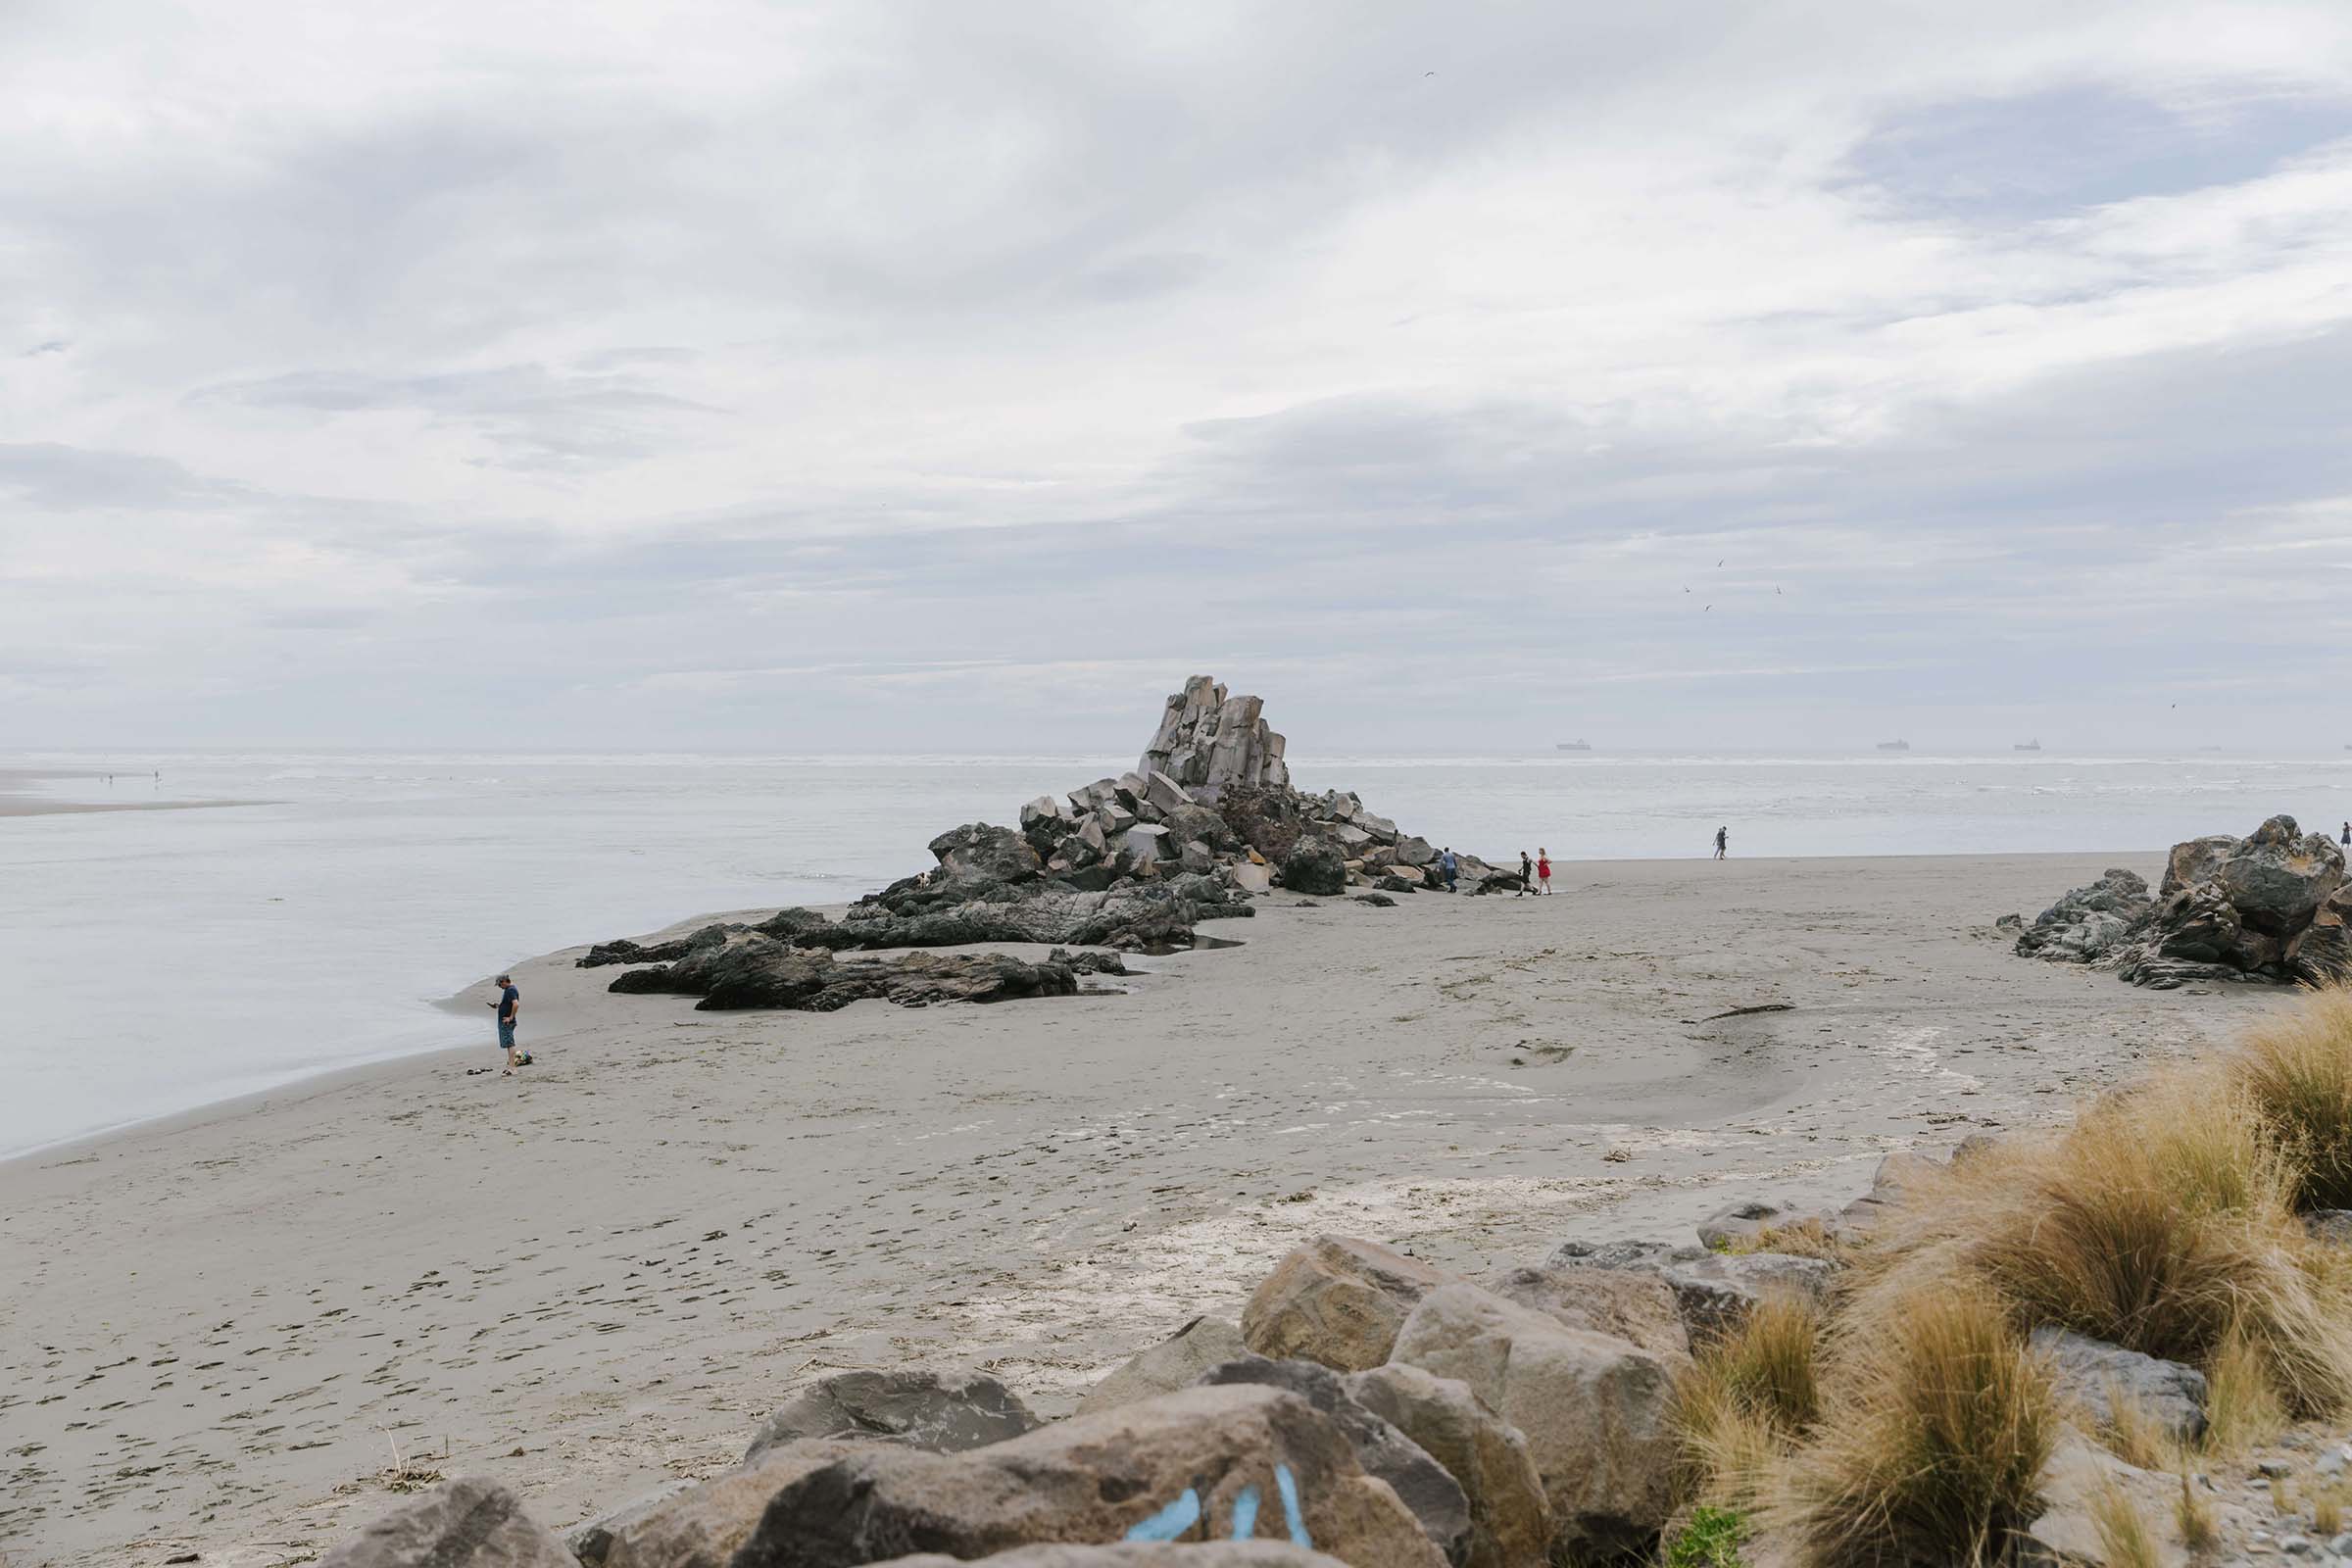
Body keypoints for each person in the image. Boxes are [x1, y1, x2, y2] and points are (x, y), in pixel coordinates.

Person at [489, 972, 528, 1074]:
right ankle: (511, 1066)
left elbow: (516, 1004)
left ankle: (513, 1068)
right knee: (508, 1044)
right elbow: (509, 1004)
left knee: (510, 1044)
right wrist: (498, 1006)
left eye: (500, 984)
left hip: (507, 1022)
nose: (499, 986)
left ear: (505, 981)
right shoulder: (508, 990)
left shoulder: (510, 990)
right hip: (505, 1021)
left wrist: (510, 1017)